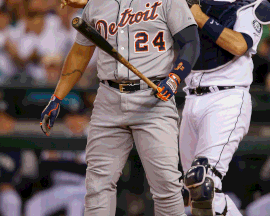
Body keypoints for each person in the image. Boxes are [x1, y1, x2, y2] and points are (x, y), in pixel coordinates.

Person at [40, 0, 200, 216]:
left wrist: (174, 78)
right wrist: (57, 97)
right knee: (97, 186)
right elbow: (80, 53)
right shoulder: (96, 4)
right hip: (109, 97)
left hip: (153, 98)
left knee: (167, 186)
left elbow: (191, 43)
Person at [179, 0, 270, 215]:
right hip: (190, 99)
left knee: (203, 183)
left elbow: (239, 45)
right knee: (194, 193)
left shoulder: (247, 5)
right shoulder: (183, 4)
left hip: (226, 97)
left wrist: (199, 17)